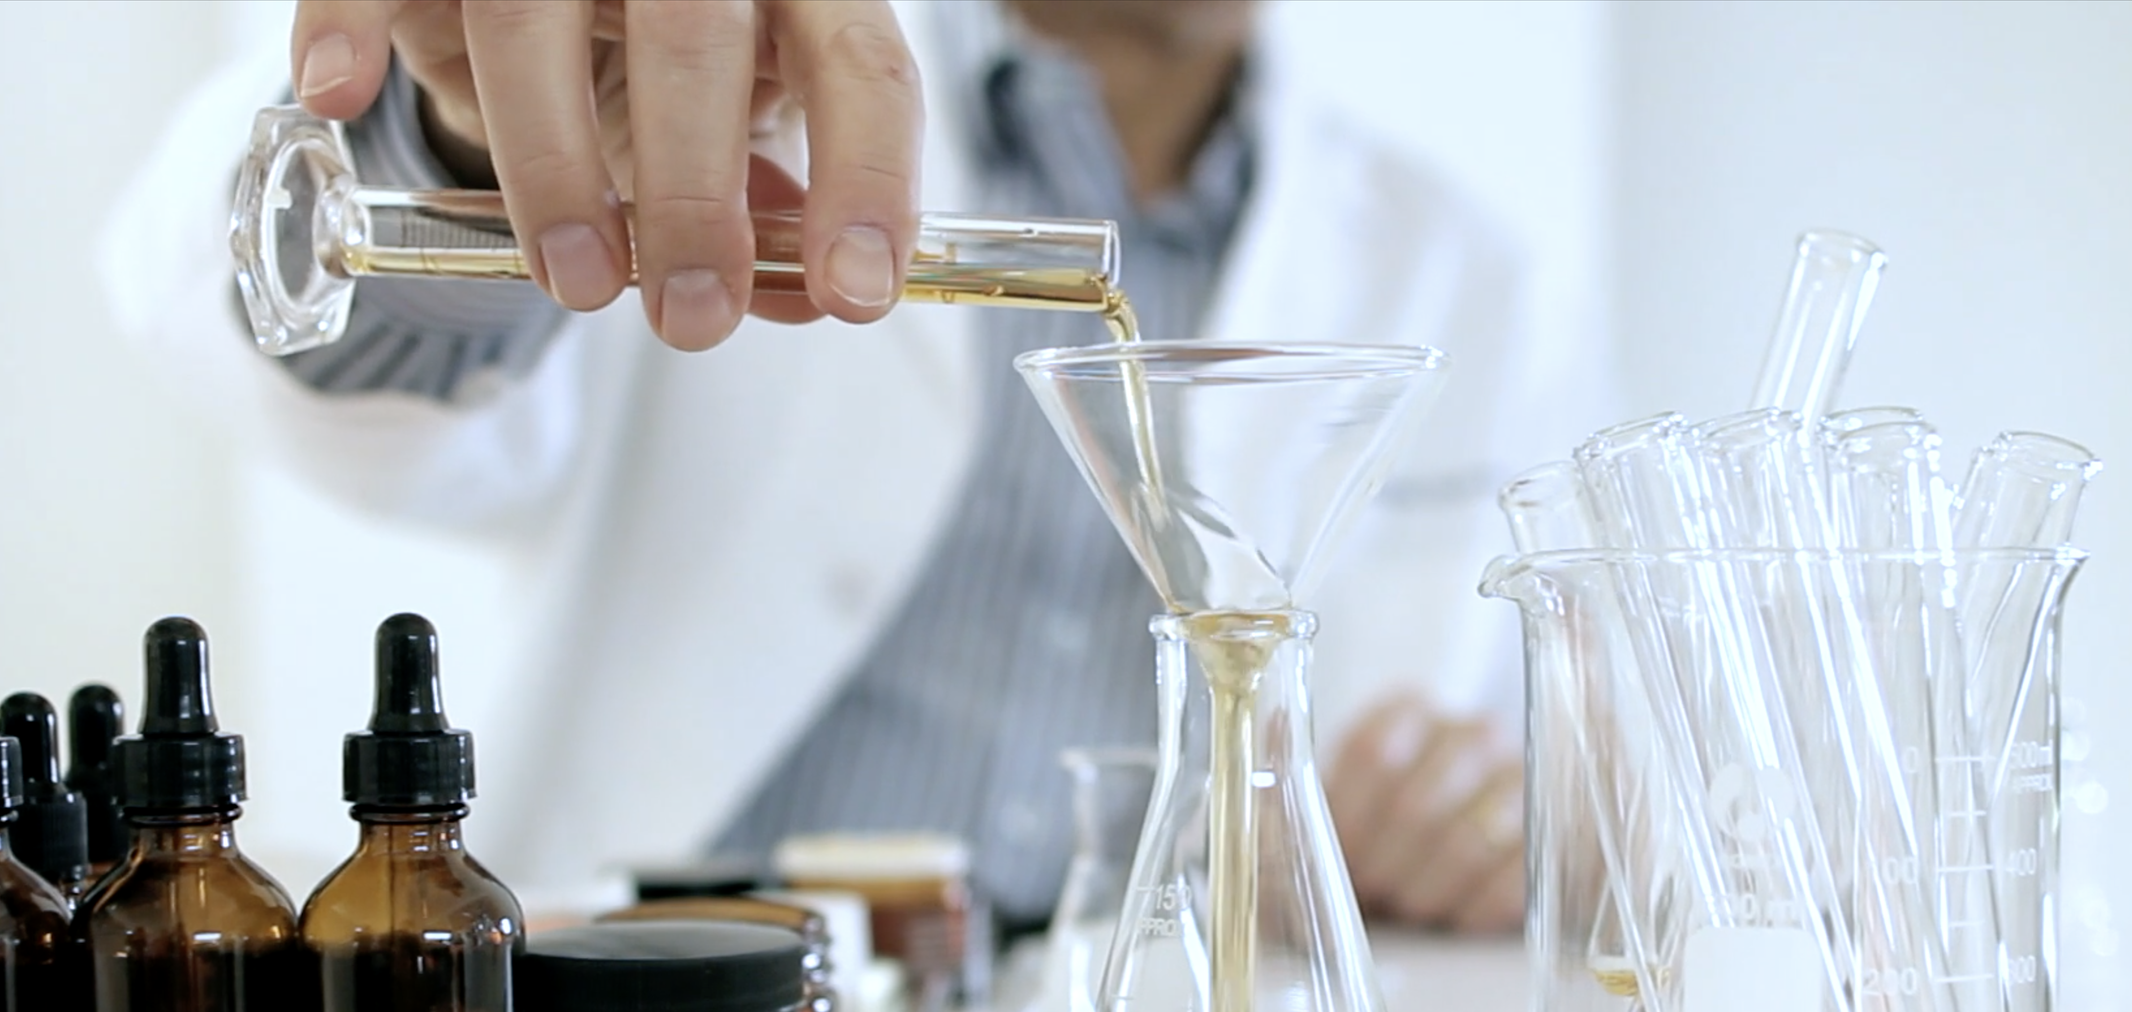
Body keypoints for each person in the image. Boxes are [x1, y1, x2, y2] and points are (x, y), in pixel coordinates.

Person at [108, 0, 1600, 933]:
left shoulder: (1461, 272)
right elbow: (338, 348)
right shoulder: (733, 55)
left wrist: (1492, 824)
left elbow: (1555, 754)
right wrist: (460, 143)